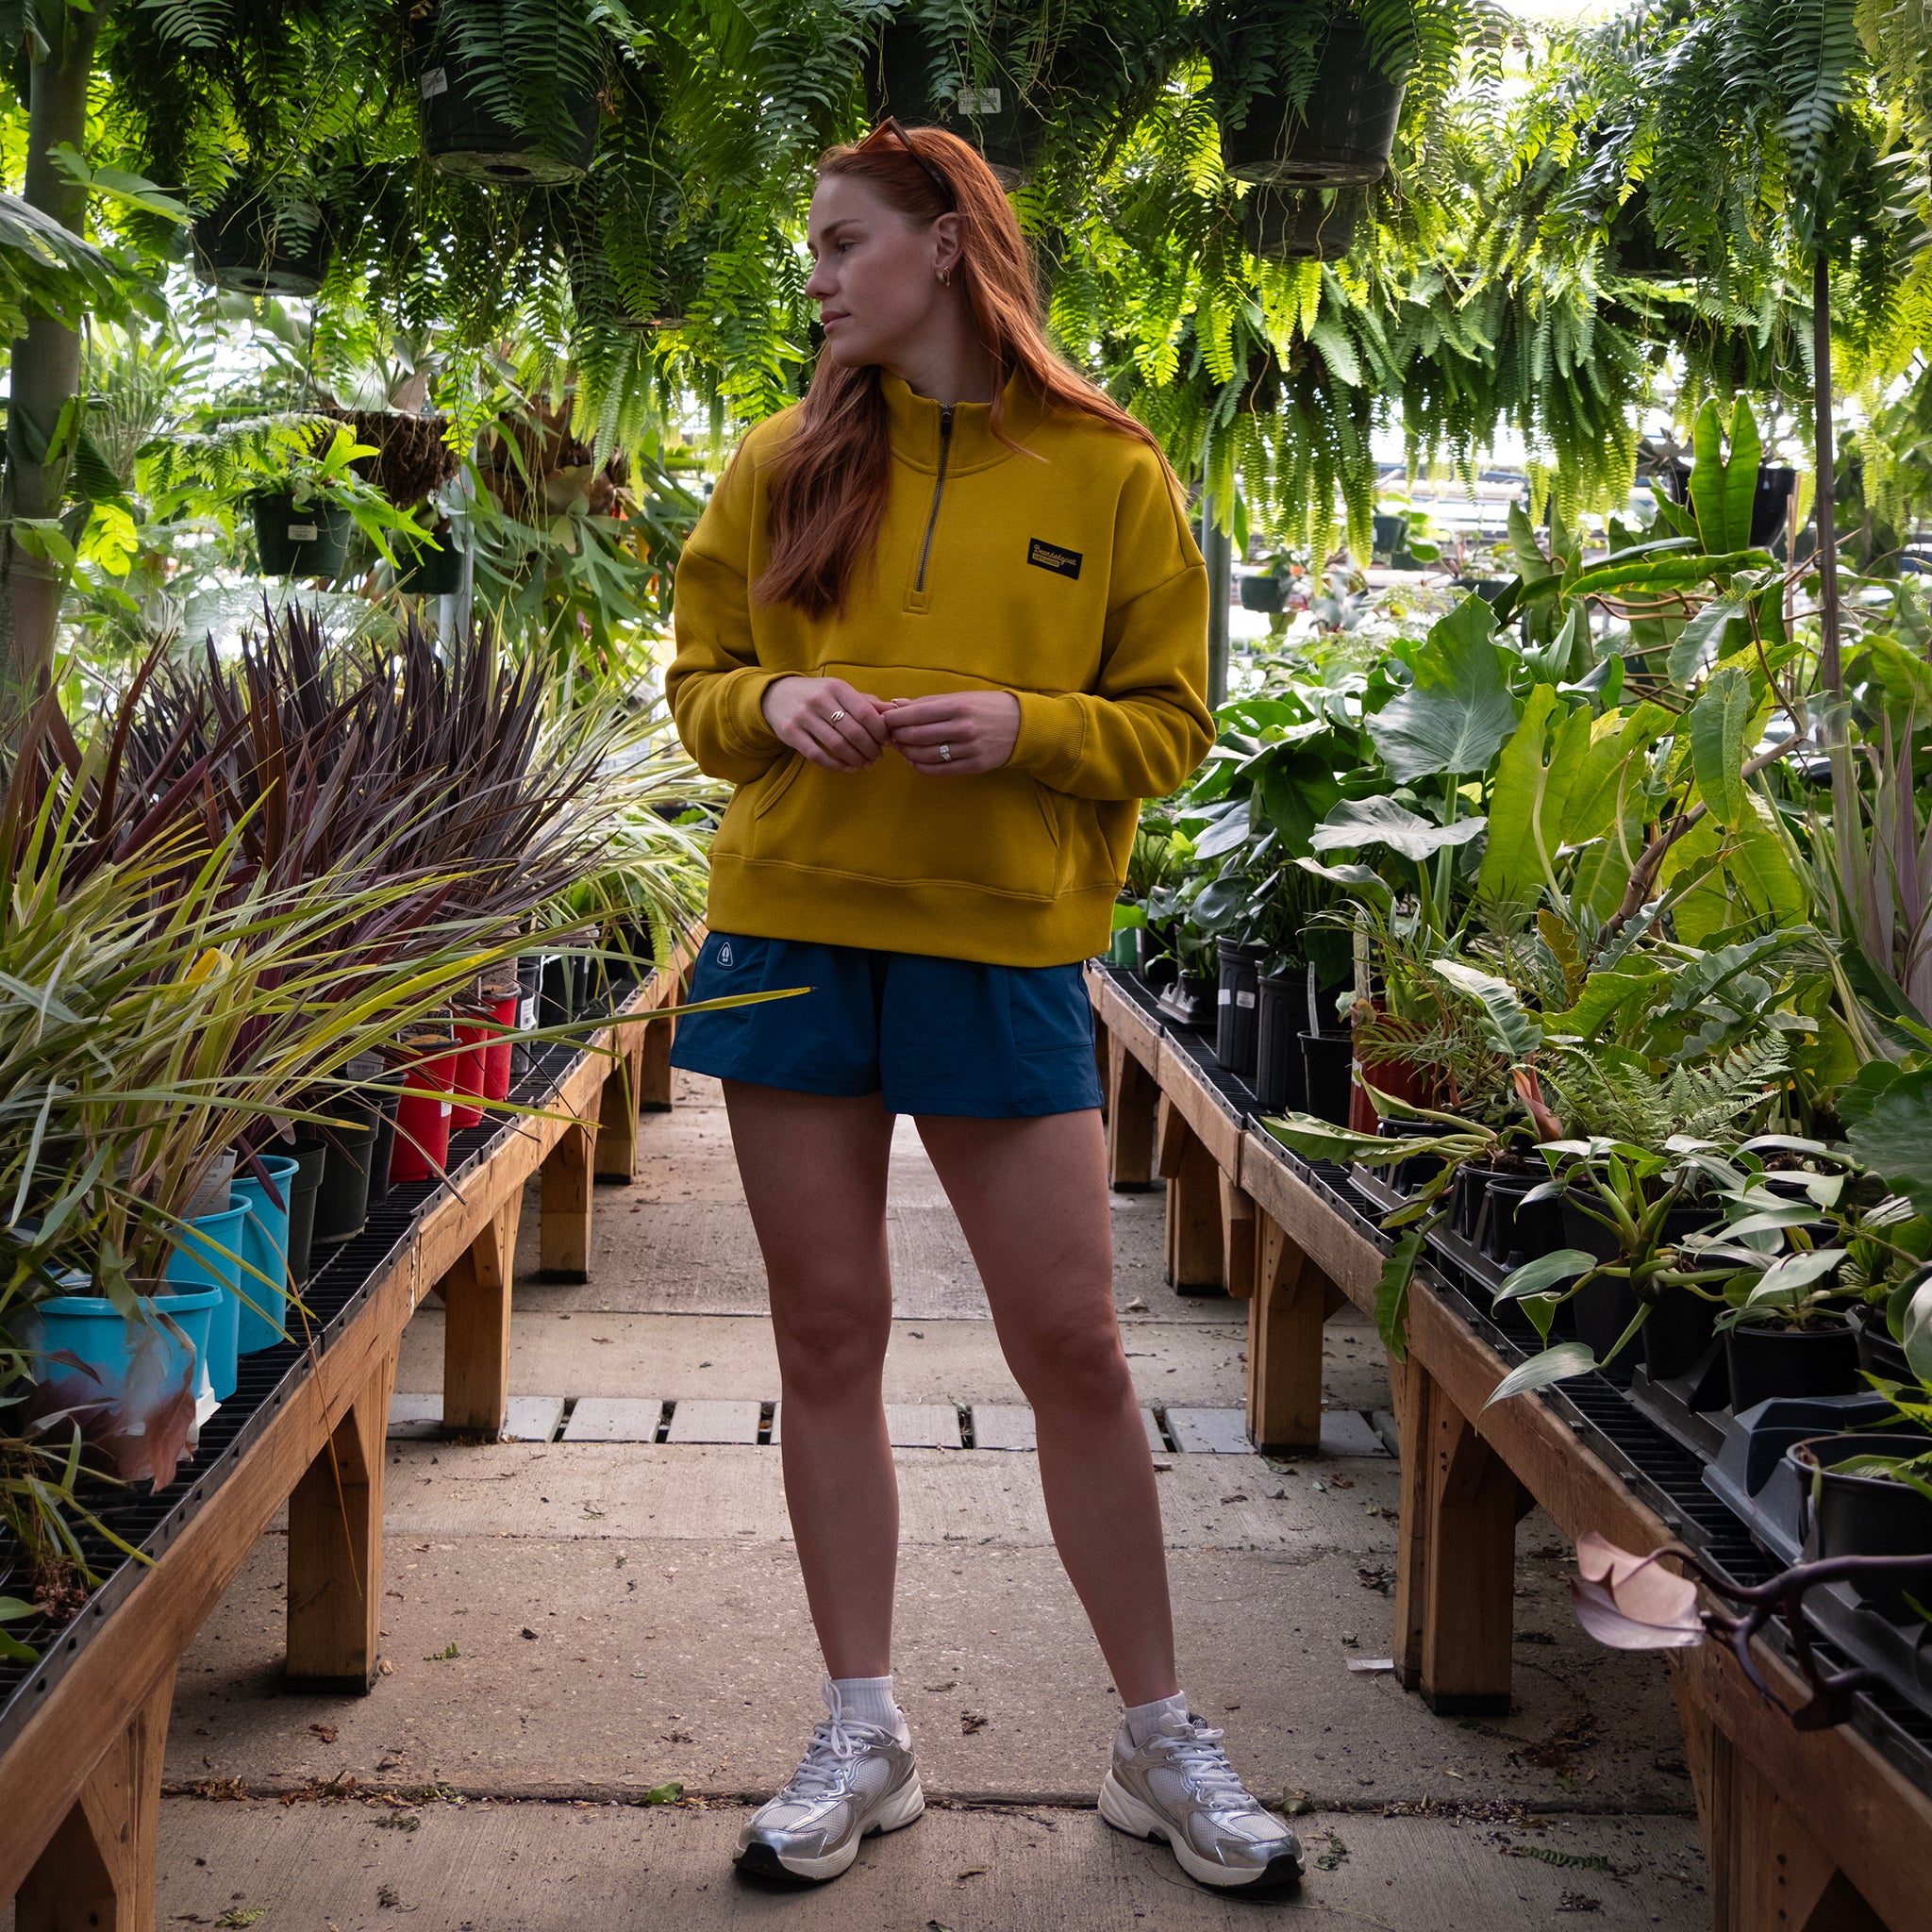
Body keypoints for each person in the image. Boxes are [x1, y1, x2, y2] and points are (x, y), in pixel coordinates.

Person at [664, 118, 1304, 1894]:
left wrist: (1027, 730)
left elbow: (1169, 726)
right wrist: (770, 710)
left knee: (1076, 1348)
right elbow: (700, 682)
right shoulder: (784, 459)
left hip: (1005, 941)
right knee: (829, 1334)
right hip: (793, 931)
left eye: (844, 240)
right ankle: (861, 1729)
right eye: (812, 245)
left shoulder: (1110, 474)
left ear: (947, 243)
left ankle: (1157, 1736)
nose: (818, 273)